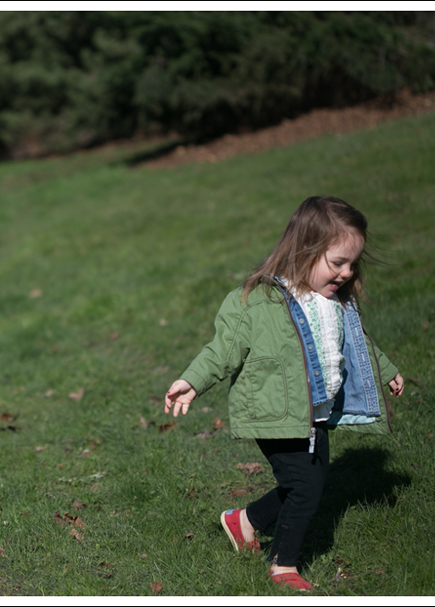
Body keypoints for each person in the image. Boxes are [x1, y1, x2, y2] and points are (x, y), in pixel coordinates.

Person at [164, 196, 404, 592]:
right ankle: (283, 566)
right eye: (337, 262)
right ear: (305, 249)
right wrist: (193, 381)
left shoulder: (336, 302)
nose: (346, 273)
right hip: (274, 413)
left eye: (352, 264)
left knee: (306, 486)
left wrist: (387, 370)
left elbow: (357, 344)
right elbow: (222, 350)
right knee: (305, 488)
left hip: (314, 413)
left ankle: (244, 522)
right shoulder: (258, 301)